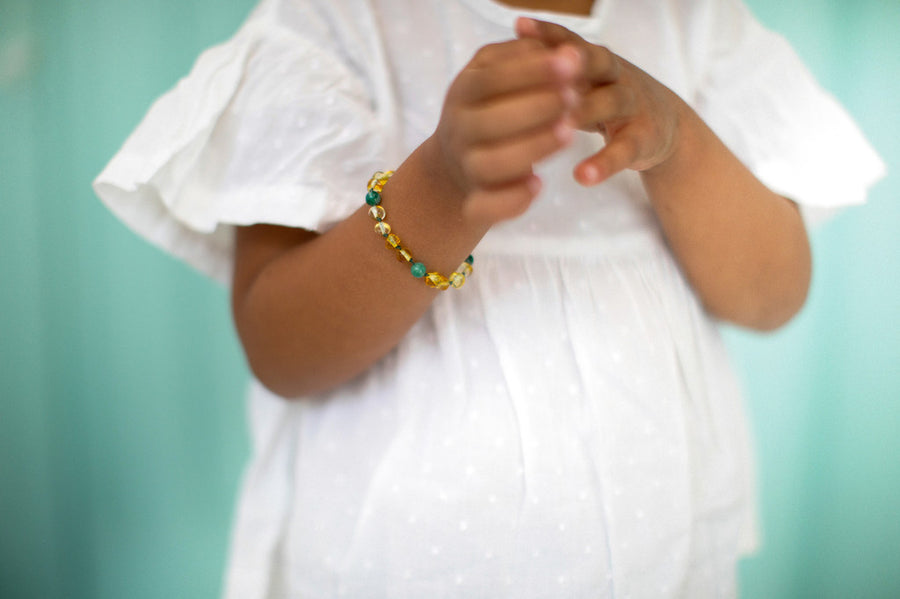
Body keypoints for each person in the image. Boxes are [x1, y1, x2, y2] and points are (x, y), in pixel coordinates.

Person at [93, 0, 884, 596]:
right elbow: (282, 347)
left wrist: (678, 142)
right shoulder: (334, 23)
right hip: (390, 569)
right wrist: (436, 191)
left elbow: (771, 295)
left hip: (660, 562)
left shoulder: (695, 23)